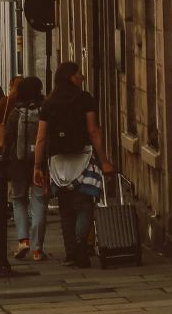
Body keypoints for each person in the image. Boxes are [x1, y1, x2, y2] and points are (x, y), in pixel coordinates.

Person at [33, 61, 115, 268]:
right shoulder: (84, 99)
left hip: (58, 161)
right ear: (71, 76)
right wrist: (104, 161)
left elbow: (41, 138)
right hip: (83, 157)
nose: (82, 77)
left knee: (66, 208)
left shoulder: (49, 103)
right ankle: (80, 246)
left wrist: (37, 166)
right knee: (85, 204)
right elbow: (93, 131)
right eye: (79, 73)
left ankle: (70, 253)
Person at [3, 76, 47, 261]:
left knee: (19, 200)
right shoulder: (44, 111)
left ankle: (23, 240)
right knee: (39, 202)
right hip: (39, 162)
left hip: (18, 163)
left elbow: (8, 140)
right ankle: (37, 249)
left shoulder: (15, 113)